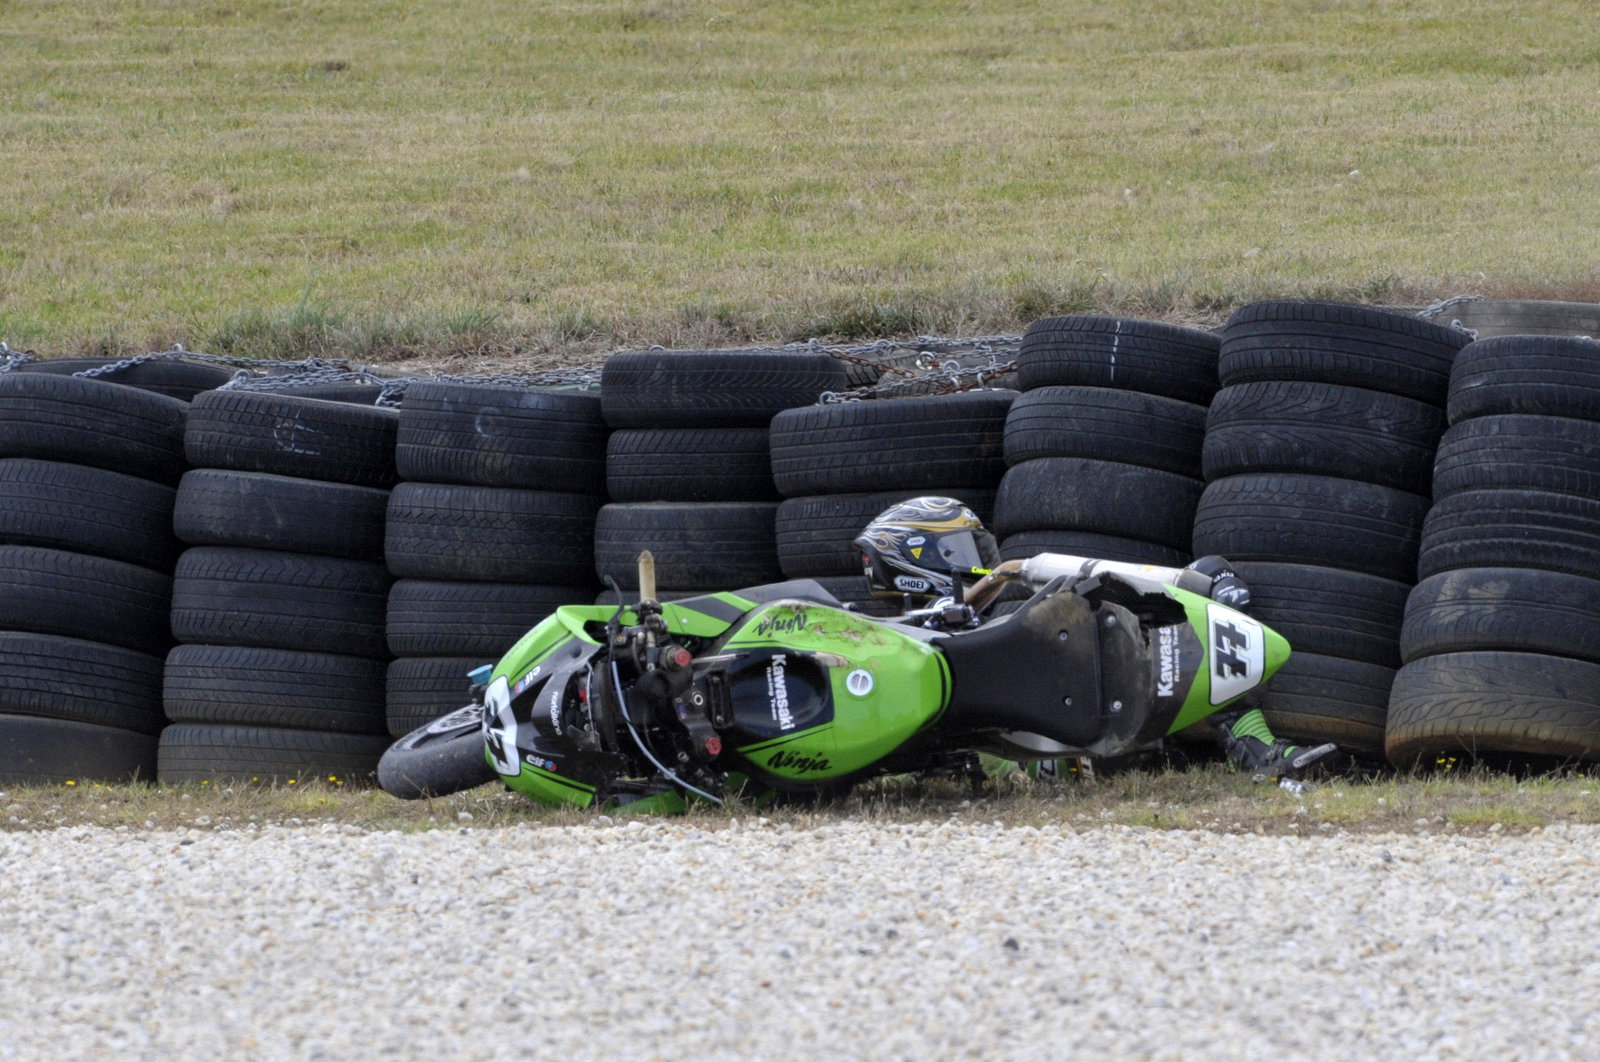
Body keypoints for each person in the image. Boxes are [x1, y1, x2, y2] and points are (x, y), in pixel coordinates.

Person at [851, 496, 1336, 782]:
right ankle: (1254, 754)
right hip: (1042, 759)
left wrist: (1202, 583)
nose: (977, 556)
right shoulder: (901, 642)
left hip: (1110, 727)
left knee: (1206, 584)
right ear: (914, 561)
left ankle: (1259, 753)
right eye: (959, 549)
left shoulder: (1008, 616)